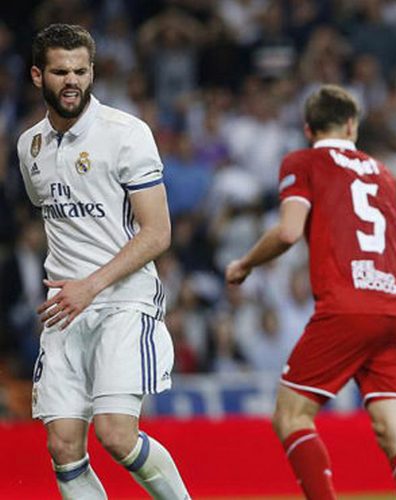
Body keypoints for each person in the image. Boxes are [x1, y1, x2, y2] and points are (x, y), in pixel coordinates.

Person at [225, 84, 396, 499]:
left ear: (308, 129)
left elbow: (288, 231)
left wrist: (245, 262)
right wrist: (383, 287)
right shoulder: (384, 174)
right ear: (352, 125)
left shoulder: (303, 162)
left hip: (345, 308)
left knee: (291, 416)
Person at [18, 24, 189, 499]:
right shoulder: (29, 146)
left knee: (115, 433)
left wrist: (90, 285)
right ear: (38, 76)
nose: (72, 81)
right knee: (63, 446)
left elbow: (158, 232)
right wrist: (72, 289)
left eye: (80, 70)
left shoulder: (126, 134)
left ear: (92, 71)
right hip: (64, 309)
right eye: (60, 72)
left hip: (123, 301)